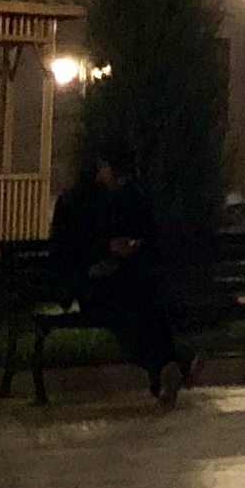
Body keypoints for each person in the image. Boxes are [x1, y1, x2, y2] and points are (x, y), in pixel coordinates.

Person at [48, 138, 192, 408]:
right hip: (89, 284)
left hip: (122, 277)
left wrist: (130, 249)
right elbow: (66, 249)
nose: (117, 182)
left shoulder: (126, 196)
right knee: (125, 312)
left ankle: (165, 368)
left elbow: (149, 238)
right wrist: (101, 255)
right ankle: (166, 366)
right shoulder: (77, 202)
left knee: (148, 305)